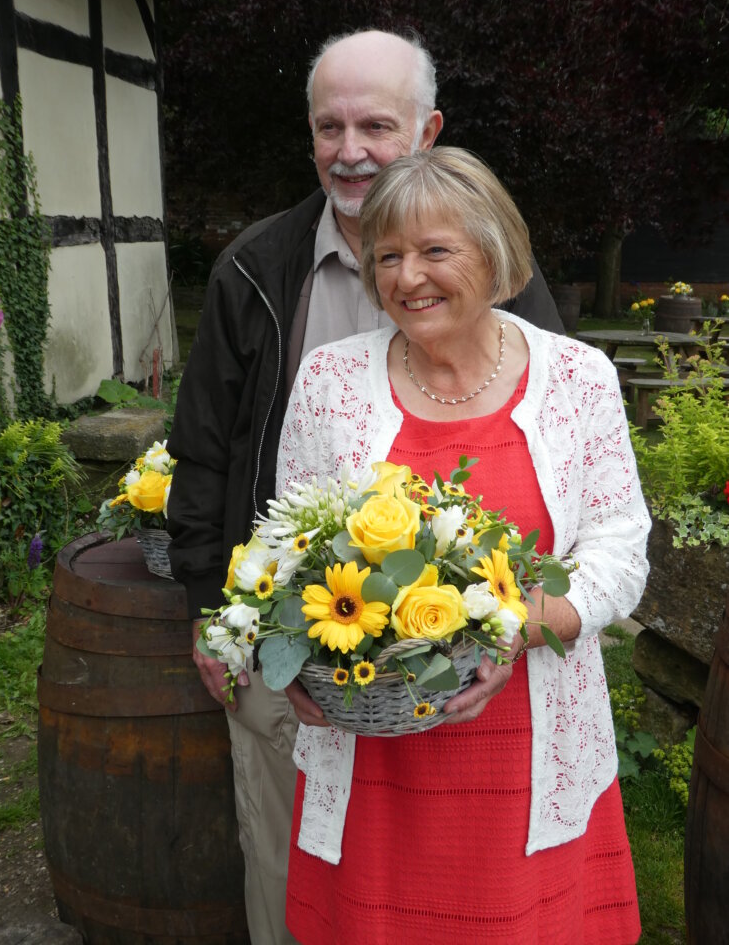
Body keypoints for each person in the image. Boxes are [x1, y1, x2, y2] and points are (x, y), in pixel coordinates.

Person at [167, 31, 564, 944]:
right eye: (328, 126)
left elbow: (543, 441)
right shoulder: (256, 270)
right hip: (289, 637)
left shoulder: (496, 267)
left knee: (445, 876)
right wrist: (208, 610)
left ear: (427, 130)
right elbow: (202, 449)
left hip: (454, 654)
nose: (351, 150)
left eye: (376, 125)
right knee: (290, 854)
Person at [277, 147, 650, 944]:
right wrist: (283, 655)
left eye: (435, 250)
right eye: (387, 256)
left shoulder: (578, 379)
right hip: (372, 747)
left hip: (525, 747)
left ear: (495, 254)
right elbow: (287, 541)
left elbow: (620, 544)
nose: (408, 277)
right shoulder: (328, 381)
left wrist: (523, 625)